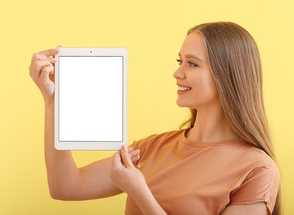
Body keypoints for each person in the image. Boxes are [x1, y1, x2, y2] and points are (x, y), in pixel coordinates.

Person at [28, 21, 281, 215]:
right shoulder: (151, 149)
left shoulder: (257, 170)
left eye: (192, 64)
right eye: (179, 61)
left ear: (226, 75)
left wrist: (139, 192)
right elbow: (65, 186)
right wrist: (53, 101)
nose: (177, 72)